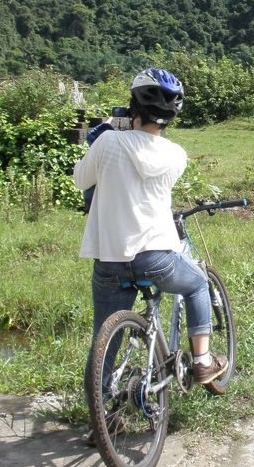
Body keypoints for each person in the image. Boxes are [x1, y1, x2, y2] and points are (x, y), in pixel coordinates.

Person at [73, 67, 228, 405]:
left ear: (133, 108)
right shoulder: (176, 155)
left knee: (104, 341)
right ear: (171, 116)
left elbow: (80, 180)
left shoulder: (109, 142)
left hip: (110, 261)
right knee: (198, 282)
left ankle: (99, 420)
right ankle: (202, 361)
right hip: (157, 257)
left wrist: (99, 137)